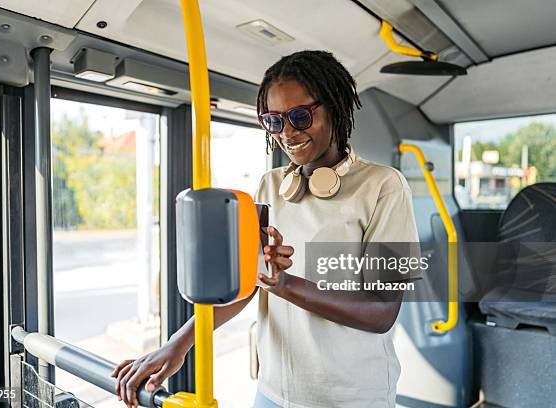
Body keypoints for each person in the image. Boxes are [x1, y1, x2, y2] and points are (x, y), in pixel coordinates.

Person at [111, 50, 419, 408]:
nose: (287, 133)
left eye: (300, 116)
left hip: (350, 397)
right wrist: (176, 346)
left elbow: (381, 311)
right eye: (274, 121)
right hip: (274, 392)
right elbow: (245, 286)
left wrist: (286, 285)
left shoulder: (384, 186)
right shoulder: (269, 187)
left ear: (335, 107)